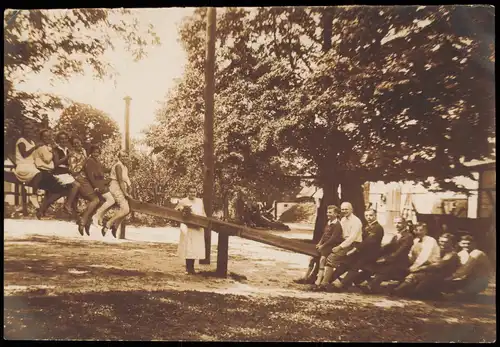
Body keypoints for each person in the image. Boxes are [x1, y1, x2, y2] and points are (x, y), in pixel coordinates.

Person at [323, 208, 384, 292]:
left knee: (355, 266)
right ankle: (326, 281)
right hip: (361, 252)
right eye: (366, 215)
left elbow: (367, 242)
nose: (368, 217)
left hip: (370, 254)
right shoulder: (367, 226)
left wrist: (355, 249)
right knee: (345, 263)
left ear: (375, 216)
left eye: (371, 215)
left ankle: (340, 285)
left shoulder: (378, 228)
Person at [392, 233, 460, 299]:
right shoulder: (440, 251)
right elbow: (430, 261)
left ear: (451, 243)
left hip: (442, 278)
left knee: (415, 280)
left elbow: (437, 265)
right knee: (413, 278)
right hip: (432, 274)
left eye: (446, 242)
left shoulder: (451, 254)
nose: (442, 244)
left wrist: (418, 268)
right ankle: (398, 289)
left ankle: (397, 291)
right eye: (441, 241)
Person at [313, 202, 363, 290]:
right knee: (322, 255)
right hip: (343, 242)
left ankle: (324, 284)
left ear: (351, 209)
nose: (344, 211)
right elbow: (338, 234)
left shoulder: (356, 221)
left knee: (331, 258)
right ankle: (318, 279)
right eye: (343, 209)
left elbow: (351, 238)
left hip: (353, 244)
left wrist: (339, 247)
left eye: (346, 209)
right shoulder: (343, 219)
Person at [359, 217, 415, 294]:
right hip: (392, 259)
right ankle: (359, 281)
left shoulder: (408, 236)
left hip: (401, 262)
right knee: (371, 262)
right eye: (395, 223)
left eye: (399, 223)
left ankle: (371, 286)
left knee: (386, 267)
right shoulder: (396, 235)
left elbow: (400, 251)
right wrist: (376, 253)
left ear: (404, 224)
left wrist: (386, 259)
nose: (397, 225)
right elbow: (388, 247)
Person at [294, 205, 343, 285]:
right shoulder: (329, 222)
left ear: (336, 214)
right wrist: (320, 243)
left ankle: (319, 280)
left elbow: (333, 239)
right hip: (324, 244)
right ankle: (306, 277)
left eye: (330, 212)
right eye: (327, 212)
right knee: (312, 258)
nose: (328, 214)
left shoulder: (337, 225)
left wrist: (323, 246)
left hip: (331, 246)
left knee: (322, 259)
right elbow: (324, 235)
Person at [31, 129, 72, 219]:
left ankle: (42, 210)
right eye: (45, 136)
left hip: (52, 171)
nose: (48, 138)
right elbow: (50, 160)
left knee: (56, 192)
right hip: (45, 172)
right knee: (59, 191)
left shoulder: (51, 147)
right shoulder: (45, 148)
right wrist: (55, 153)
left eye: (49, 136)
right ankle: (43, 209)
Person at [13, 118, 44, 210]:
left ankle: (35, 197)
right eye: (26, 129)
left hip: (31, 165)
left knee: (42, 173)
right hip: (22, 166)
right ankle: (33, 196)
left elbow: (33, 156)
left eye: (30, 129)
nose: (28, 131)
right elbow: (25, 154)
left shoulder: (32, 142)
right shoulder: (21, 140)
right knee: (38, 174)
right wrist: (35, 147)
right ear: (23, 130)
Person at [175, 186, 207, 275]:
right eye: (191, 192)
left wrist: (204, 222)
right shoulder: (183, 201)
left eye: (194, 192)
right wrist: (182, 210)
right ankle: (188, 268)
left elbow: (203, 213)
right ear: (188, 193)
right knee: (188, 247)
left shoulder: (200, 201)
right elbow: (175, 212)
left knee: (194, 248)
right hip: (187, 227)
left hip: (197, 227)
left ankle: (192, 268)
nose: (193, 194)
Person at [68, 136, 97, 236]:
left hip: (88, 178)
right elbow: (73, 171)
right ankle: (83, 221)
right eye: (75, 143)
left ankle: (87, 220)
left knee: (101, 199)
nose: (77, 145)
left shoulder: (84, 151)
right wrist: (84, 161)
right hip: (80, 178)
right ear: (72, 145)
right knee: (95, 200)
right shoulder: (72, 155)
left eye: (78, 142)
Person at [84, 145, 115, 232]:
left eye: (97, 152)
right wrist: (95, 186)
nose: (96, 154)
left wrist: (114, 168)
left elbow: (103, 169)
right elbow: (90, 175)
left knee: (107, 201)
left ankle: (99, 218)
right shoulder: (89, 161)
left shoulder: (97, 161)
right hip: (97, 183)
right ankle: (96, 216)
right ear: (91, 152)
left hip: (101, 182)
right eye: (94, 152)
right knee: (111, 200)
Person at [102, 151, 132, 238]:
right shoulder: (118, 166)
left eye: (126, 156)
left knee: (129, 209)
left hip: (121, 187)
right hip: (115, 187)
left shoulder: (125, 166)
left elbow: (126, 179)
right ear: (119, 157)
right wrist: (125, 193)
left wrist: (130, 186)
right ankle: (108, 224)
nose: (125, 158)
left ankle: (115, 226)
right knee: (125, 209)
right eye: (122, 156)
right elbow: (120, 180)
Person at [52, 131, 80, 213]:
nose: (63, 140)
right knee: (76, 185)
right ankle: (68, 204)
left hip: (67, 172)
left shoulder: (68, 150)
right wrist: (67, 156)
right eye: (61, 139)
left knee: (80, 183)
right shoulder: (56, 149)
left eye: (65, 139)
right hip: (59, 172)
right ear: (58, 140)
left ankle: (74, 207)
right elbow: (56, 163)